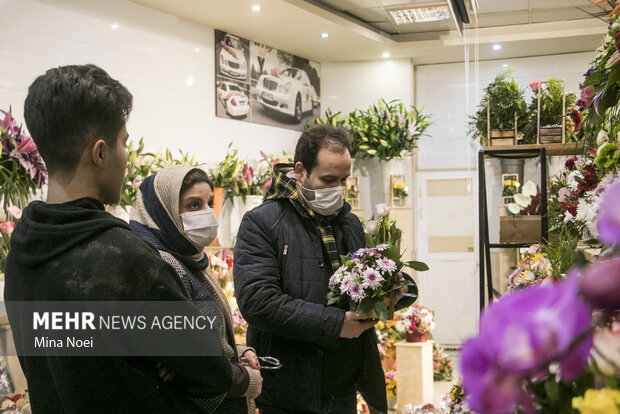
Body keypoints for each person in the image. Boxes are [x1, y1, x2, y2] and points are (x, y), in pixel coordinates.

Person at [4, 64, 233, 413]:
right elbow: (213, 369)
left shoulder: (23, 247)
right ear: (99, 153)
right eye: (124, 143)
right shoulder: (127, 260)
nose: (126, 157)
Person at [234, 125, 417, 413]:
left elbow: (362, 281)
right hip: (289, 389)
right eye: (328, 179)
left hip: (342, 388)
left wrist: (396, 288)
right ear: (301, 171)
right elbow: (258, 301)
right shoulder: (263, 223)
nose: (338, 190)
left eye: (344, 180)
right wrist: (335, 324)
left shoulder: (348, 222)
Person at [130, 165, 262, 413]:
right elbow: (192, 361)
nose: (207, 214)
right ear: (164, 211)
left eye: (209, 203)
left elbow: (204, 341)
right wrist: (245, 378)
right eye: (193, 205)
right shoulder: (166, 265)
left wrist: (240, 352)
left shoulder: (189, 258)